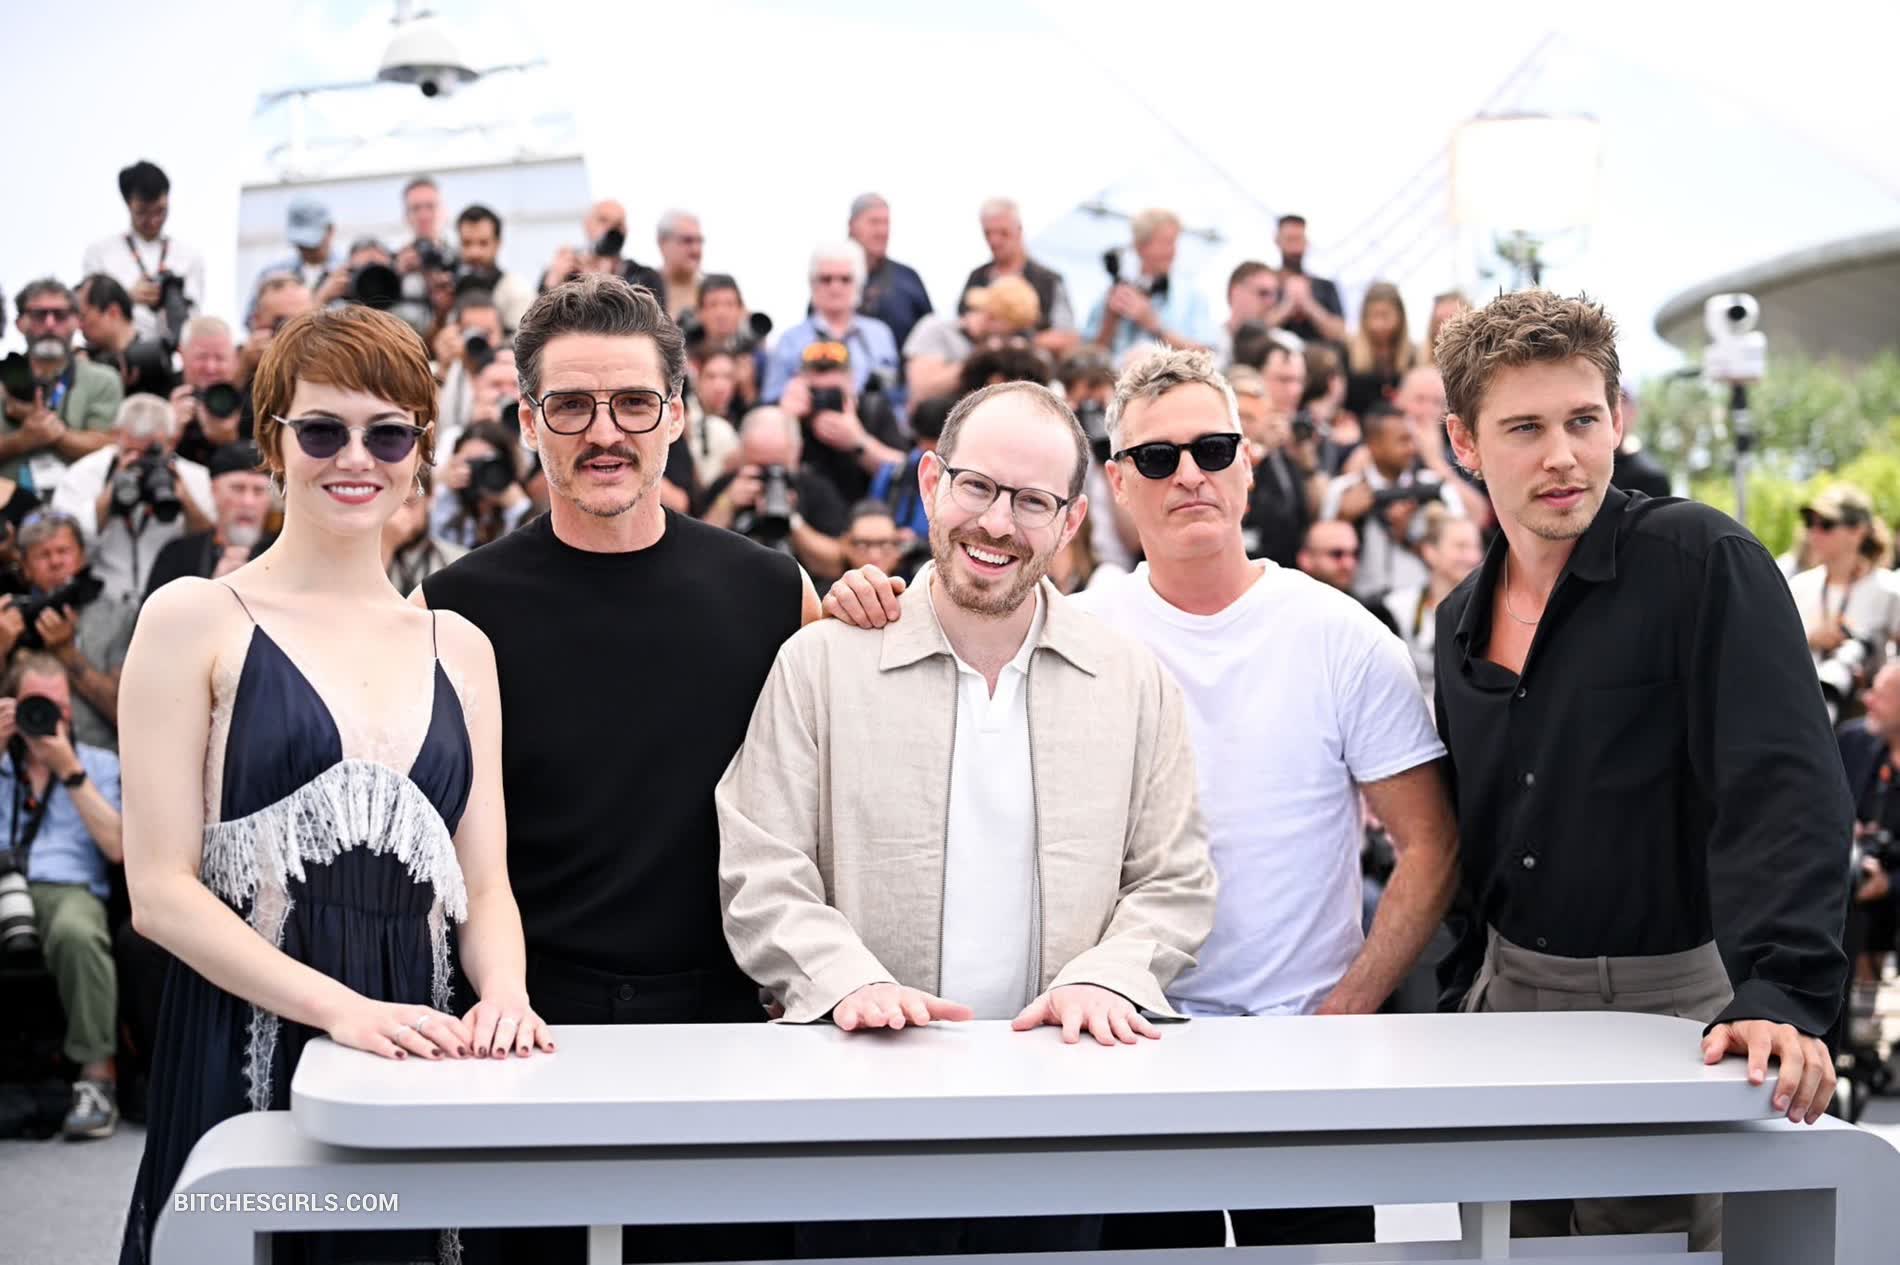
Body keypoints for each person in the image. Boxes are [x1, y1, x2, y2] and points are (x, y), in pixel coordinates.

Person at [822, 349, 1457, 1252]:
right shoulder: (1075, 629)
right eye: (1157, 457)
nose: (1189, 473)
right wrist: (863, 595)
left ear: (1247, 464)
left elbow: (1430, 844)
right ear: (1117, 484)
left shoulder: (1343, 636)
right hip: (1123, 1048)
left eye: (1212, 449)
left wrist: (1347, 1010)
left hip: (1300, 1055)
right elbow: (955, 608)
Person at [723, 378, 1217, 1257]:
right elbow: (762, 865)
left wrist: (1108, 978)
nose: (997, 523)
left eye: (1032, 501)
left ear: (1071, 521)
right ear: (930, 482)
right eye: (978, 486)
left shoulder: (1131, 680)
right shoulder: (822, 663)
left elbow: (1173, 876)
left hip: (1062, 1110)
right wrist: (844, 980)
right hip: (858, 1105)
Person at [117, 303, 549, 1265]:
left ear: (421, 450)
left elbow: (484, 886)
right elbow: (159, 890)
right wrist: (341, 1010)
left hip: (417, 1046)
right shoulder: (194, 617)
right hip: (245, 1036)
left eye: (387, 432)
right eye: (322, 429)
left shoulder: (460, 647)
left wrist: (506, 994)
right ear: (273, 441)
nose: (356, 458)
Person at [1432, 290, 1852, 1249]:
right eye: (1525, 428)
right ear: (1464, 441)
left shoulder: (1703, 560)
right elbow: (1472, 832)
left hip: (1669, 1011)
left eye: (1584, 420)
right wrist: (1462, 992)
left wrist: (1780, 996)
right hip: (1500, 1016)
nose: (1563, 455)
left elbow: (1785, 787)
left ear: (1617, 419)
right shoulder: (1458, 619)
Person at [417, 274, 816, 1265]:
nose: (605, 432)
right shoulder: (453, 609)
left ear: (676, 414)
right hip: (523, 1023)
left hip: (728, 1026)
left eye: (634, 402)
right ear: (528, 420)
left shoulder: (773, 592)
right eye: (571, 405)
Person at [2, 652, 126, 1138]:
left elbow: (118, 847)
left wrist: (69, 770)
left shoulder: (99, 764)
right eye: (37, 703)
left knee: (78, 933)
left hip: (66, 888)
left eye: (60, 705)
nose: (49, 716)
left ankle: (97, 1077)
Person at [52, 394, 215, 605]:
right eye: (130, 451)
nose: (139, 462)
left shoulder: (195, 478)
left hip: (172, 600)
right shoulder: (84, 474)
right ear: (116, 435)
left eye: (151, 452)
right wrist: (112, 492)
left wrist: (185, 500)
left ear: (172, 441)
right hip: (102, 599)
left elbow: (209, 541)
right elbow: (69, 541)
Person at [0, 511, 136, 752]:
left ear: (82, 556)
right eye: (43, 555)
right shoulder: (9, 620)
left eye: (63, 551)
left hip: (102, 758)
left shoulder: (120, 616)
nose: (55, 562)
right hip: (24, 760)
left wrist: (66, 653)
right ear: (26, 567)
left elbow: (129, 714)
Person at [1322, 401, 1465, 600]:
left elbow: (1462, 553)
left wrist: (1408, 536)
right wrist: (1344, 518)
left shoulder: (1437, 489)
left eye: (1413, 439)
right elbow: (1320, 556)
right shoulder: (1343, 490)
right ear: (1374, 445)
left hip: (1421, 606)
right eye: (1402, 440)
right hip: (1358, 602)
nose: (1412, 448)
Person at [1788, 483, 1900, 722]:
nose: (1814, 532)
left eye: (1826, 524)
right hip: (1803, 710)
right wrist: (1812, 638)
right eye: (1810, 523)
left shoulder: (1889, 590)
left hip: (1865, 717)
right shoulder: (1798, 586)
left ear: (1858, 531)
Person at [700, 406, 850, 583]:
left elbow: (835, 565)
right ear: (741, 454)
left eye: (777, 467)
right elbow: (697, 554)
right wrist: (726, 504)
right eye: (758, 467)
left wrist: (791, 520)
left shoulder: (815, 490)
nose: (769, 476)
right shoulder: (726, 486)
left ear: (796, 453)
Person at [4, 279, 124, 492]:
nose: (50, 324)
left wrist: (54, 433)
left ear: (77, 321)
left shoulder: (103, 379)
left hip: (78, 504)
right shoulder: (4, 376)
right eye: (39, 315)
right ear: (20, 323)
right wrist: (21, 441)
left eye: (60, 315)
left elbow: (109, 445)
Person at [81, 160, 206, 344]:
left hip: (172, 351)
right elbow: (89, 312)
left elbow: (194, 317)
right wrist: (126, 298)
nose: (153, 220)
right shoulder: (99, 253)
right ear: (128, 205)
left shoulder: (189, 257)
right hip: (117, 351)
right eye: (143, 213)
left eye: (161, 211)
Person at [760, 241, 900, 404]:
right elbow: (770, 400)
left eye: (845, 279)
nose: (835, 287)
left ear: (859, 284)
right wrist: (793, 397)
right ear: (813, 285)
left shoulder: (879, 335)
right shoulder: (791, 340)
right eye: (826, 279)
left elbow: (895, 399)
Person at [141, 443, 274, 599]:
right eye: (238, 489)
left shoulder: (285, 557)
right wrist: (213, 592)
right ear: (214, 491)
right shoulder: (178, 555)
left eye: (258, 491)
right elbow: (155, 613)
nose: (248, 502)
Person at [1840, 665, 1900, 1000]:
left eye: (1879, 694)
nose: (1867, 700)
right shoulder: (1853, 741)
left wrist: (1889, 883)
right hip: (1852, 892)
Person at [1380, 507, 1483, 698]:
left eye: (1476, 547)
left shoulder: (1489, 608)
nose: (1474, 557)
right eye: (1461, 547)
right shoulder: (1398, 608)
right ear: (1430, 552)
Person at [959, 197, 1080, 361]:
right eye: (988, 233)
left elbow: (1068, 338)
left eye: (1003, 233)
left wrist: (1021, 335)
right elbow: (961, 322)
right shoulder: (977, 277)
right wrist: (973, 324)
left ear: (1019, 230)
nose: (994, 240)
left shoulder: (1048, 281)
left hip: (1031, 368)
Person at [1086, 208, 1216, 358]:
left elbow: (1205, 355)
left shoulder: (1193, 297)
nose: (1172, 252)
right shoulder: (1113, 295)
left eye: (1174, 243)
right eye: (1165, 243)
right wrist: (1110, 320)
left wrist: (1154, 325)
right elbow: (1090, 359)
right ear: (1140, 246)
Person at [848, 193, 932, 353]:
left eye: (885, 223)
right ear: (852, 226)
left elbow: (931, 335)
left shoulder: (908, 279)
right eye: (874, 222)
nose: (882, 231)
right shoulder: (832, 278)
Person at [432, 423, 534, 550]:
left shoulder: (524, 511)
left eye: (486, 463)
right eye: (470, 463)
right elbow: (433, 544)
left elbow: (530, 545)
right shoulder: (451, 506)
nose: (478, 471)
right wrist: (441, 484)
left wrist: (518, 506)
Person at [77, 274, 177, 399]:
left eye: (83, 317)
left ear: (113, 313)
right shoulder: (84, 361)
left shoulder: (156, 360)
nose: (79, 326)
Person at [245, 198, 336, 326]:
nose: (305, 248)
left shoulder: (352, 275)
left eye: (312, 243)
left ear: (330, 231)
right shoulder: (272, 274)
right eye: (300, 243)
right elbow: (250, 322)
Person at [169, 317, 246, 467]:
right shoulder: (161, 392)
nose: (211, 368)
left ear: (235, 358)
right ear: (181, 354)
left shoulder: (252, 397)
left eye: (220, 358)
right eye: (201, 357)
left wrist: (230, 439)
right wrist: (169, 430)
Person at [384, 466, 467, 594]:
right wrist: (386, 544)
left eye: (410, 502)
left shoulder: (457, 561)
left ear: (430, 499)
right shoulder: (363, 560)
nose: (399, 513)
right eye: (391, 504)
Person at [456, 204, 534, 333]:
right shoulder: (450, 292)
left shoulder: (516, 291)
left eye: (483, 243)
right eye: (466, 243)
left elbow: (525, 341)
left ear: (498, 244)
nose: (474, 252)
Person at [1271, 213, 1347, 346]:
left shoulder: (1325, 286)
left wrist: (1308, 304)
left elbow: (1340, 332)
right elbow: (1254, 330)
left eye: (1299, 239)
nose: (1295, 248)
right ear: (1278, 241)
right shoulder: (1265, 286)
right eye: (1290, 239)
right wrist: (1287, 306)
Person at [1343, 281, 1417, 415]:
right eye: (1373, 316)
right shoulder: (1347, 352)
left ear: (1400, 317)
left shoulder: (1413, 355)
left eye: (1385, 316)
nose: (1378, 324)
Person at [1214, 261, 1282, 369]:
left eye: (1275, 295)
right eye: (1263, 293)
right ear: (1235, 292)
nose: (1271, 302)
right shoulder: (1206, 344)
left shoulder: (1288, 346)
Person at [655, 209, 705, 320]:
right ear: (663, 242)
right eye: (687, 241)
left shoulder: (715, 295)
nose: (696, 250)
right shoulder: (643, 289)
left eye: (699, 241)